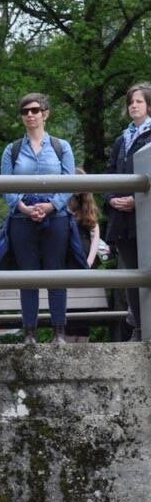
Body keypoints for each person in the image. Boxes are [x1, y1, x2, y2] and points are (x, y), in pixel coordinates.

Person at [0, 93, 76, 345]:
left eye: (35, 110)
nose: (30, 115)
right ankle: (30, 332)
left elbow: (70, 183)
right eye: (25, 111)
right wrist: (22, 207)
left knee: (56, 273)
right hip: (22, 217)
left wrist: (52, 205)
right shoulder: (11, 150)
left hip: (56, 217)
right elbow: (6, 186)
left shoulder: (61, 146)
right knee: (28, 274)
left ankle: (59, 332)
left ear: (46, 113)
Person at [102, 81, 151, 342]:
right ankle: (140, 327)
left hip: (147, 217)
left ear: (149, 105)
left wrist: (136, 199)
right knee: (132, 275)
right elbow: (109, 172)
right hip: (123, 220)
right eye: (130, 102)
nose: (133, 105)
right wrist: (111, 198)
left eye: (139, 101)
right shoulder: (122, 139)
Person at [66, 169, 101, 342]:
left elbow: (95, 233)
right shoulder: (64, 204)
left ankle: (82, 346)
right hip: (68, 262)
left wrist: (88, 262)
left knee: (84, 312)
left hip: (87, 262)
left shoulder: (88, 207)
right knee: (70, 309)